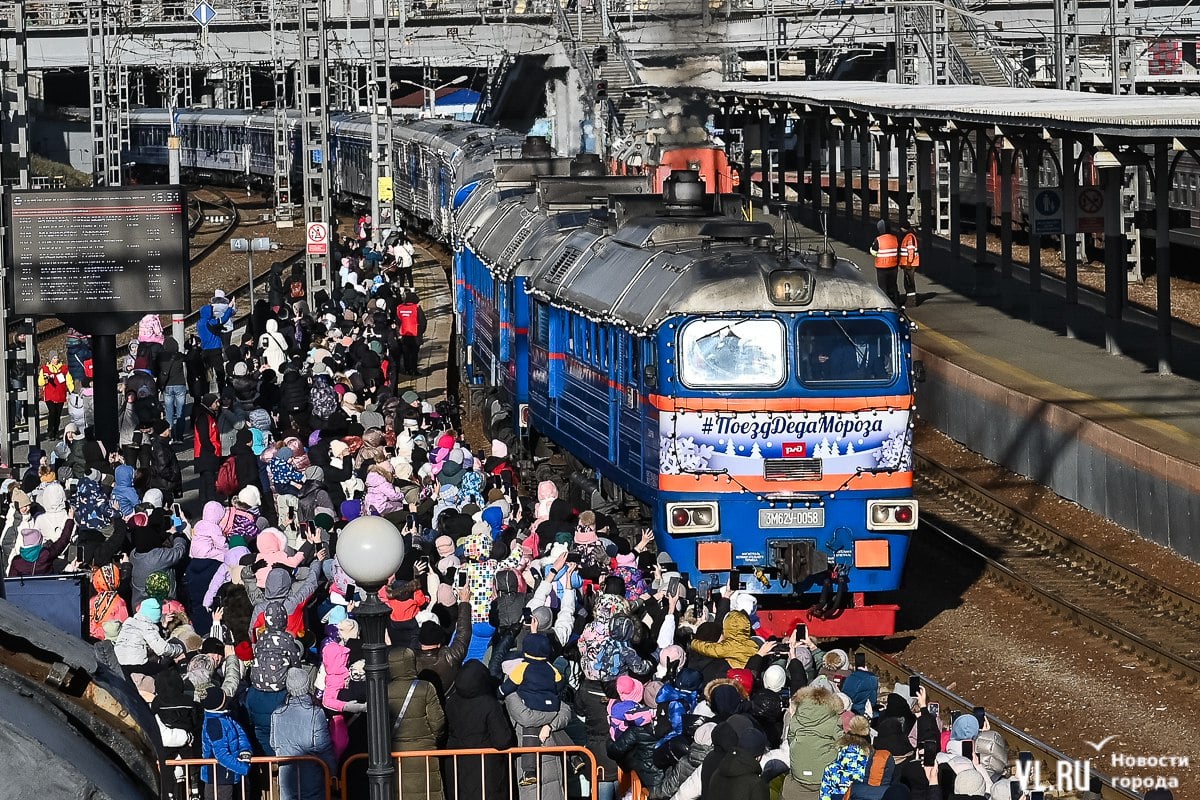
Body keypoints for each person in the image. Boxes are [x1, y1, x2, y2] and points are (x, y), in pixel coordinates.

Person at [270, 668, 336, 800]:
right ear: (307, 686)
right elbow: (324, 748)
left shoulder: (277, 714)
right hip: (311, 775)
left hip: (286, 777)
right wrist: (333, 773)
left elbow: (273, 743)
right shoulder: (316, 713)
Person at [199, 292, 235, 391]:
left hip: (205, 350)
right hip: (215, 350)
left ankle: (206, 391)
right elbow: (223, 319)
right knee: (220, 372)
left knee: (208, 373)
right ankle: (221, 389)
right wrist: (229, 308)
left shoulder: (200, 323)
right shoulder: (210, 322)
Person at [192, 393, 223, 503]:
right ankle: (211, 506)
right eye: (216, 402)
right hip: (206, 455)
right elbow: (204, 437)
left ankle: (205, 505)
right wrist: (212, 449)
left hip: (207, 454)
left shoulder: (209, 415)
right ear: (210, 403)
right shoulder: (204, 417)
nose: (218, 404)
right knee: (209, 484)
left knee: (205, 483)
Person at [38, 350, 74, 439]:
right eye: (54, 358)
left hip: (60, 394)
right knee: (52, 412)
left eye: (57, 357)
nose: (56, 359)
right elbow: (40, 383)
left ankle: (56, 431)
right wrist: (45, 378)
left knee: (58, 414)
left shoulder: (64, 368)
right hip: (49, 395)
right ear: (50, 359)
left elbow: (69, 380)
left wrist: (71, 389)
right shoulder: (45, 369)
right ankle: (50, 431)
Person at [869, 219, 900, 305]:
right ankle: (896, 303)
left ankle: (885, 304)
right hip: (893, 266)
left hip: (882, 267)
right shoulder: (894, 238)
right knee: (893, 285)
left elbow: (873, 252)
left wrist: (876, 253)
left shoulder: (878, 239)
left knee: (883, 286)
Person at [899, 224, 919, 306]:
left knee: (909, 282)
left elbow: (911, 251)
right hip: (907, 263)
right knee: (907, 282)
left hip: (909, 263)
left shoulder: (909, 237)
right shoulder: (909, 236)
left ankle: (911, 302)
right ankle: (909, 300)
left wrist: (909, 263)